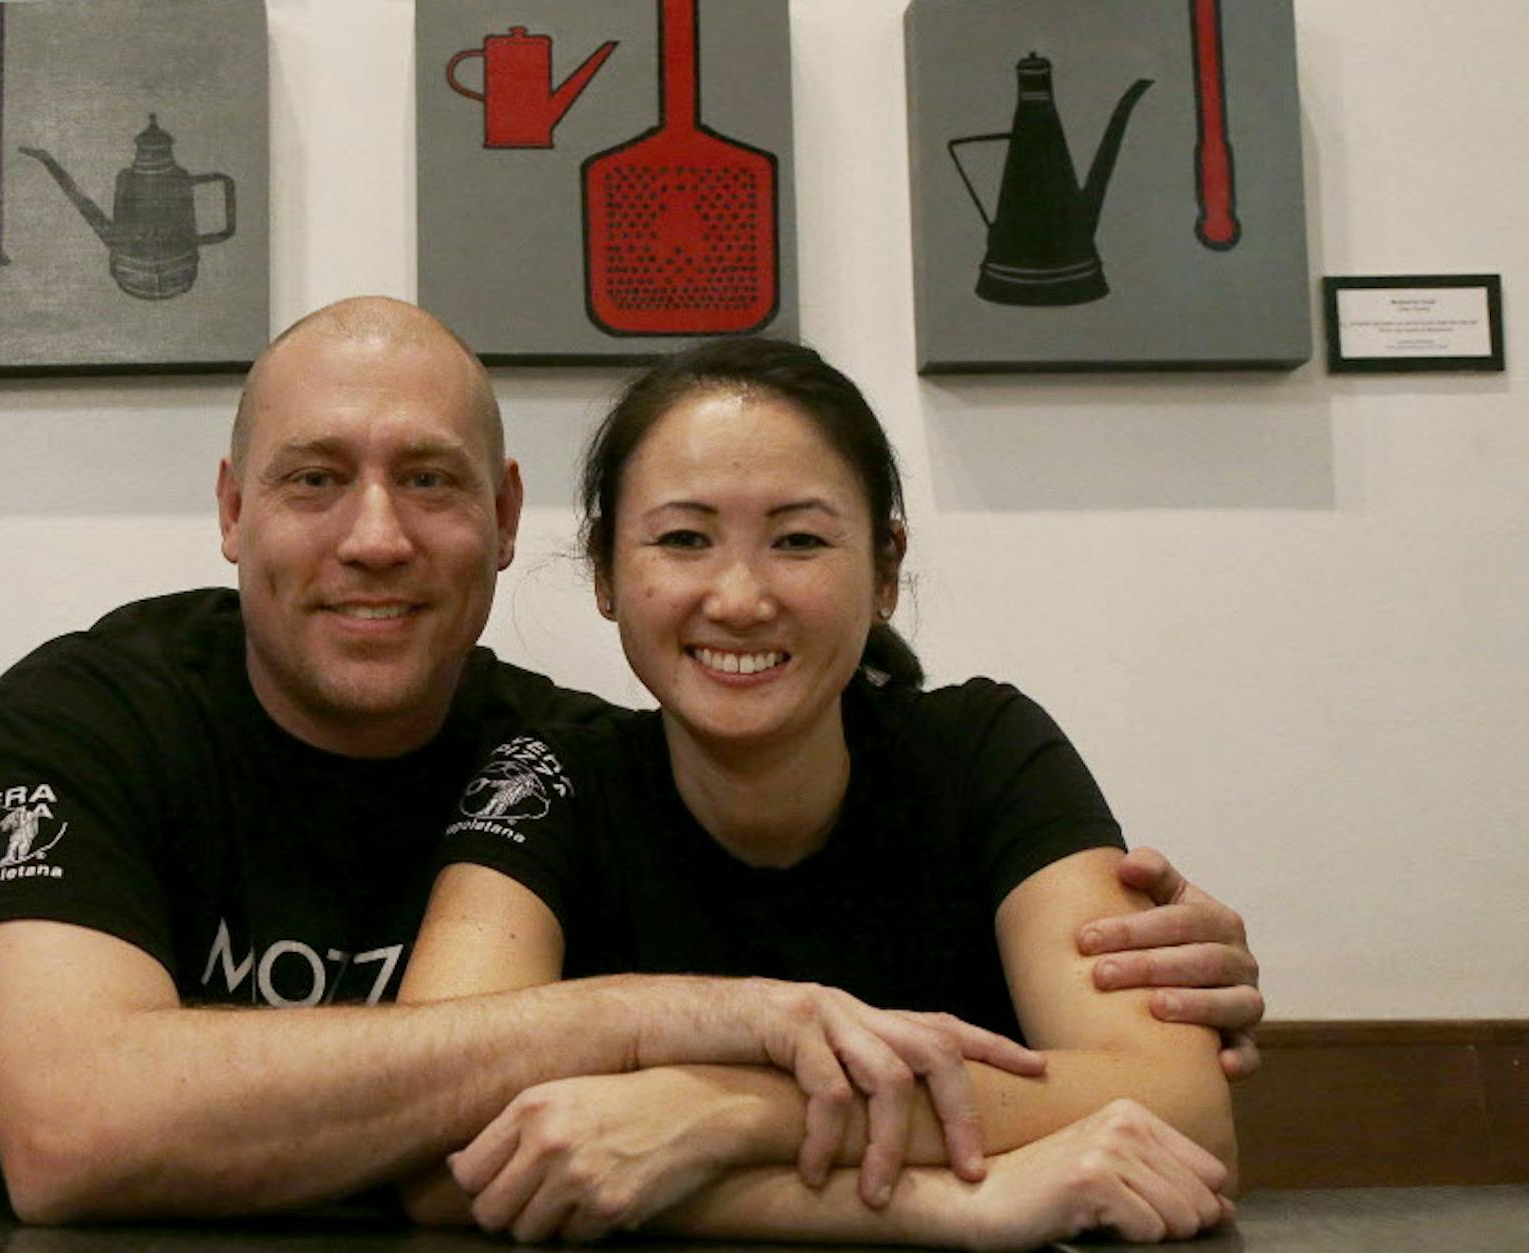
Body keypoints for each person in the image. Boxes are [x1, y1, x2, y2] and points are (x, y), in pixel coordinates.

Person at [0, 299, 1265, 1226]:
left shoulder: (552, 751)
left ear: (504, 523)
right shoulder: (86, 715)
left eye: (428, 480)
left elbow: (1167, 1093)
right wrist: (662, 1023)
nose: (375, 537)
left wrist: (713, 1110)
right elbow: (73, 1131)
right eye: (314, 480)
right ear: (233, 511)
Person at [397, 337, 1241, 1248]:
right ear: (606, 570)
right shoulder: (546, 779)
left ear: (884, 569)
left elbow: (1184, 1111)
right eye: (684, 538)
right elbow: (435, 1148)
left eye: (799, 539)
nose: (741, 596)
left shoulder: (987, 751)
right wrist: (955, 1204)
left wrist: (722, 1113)